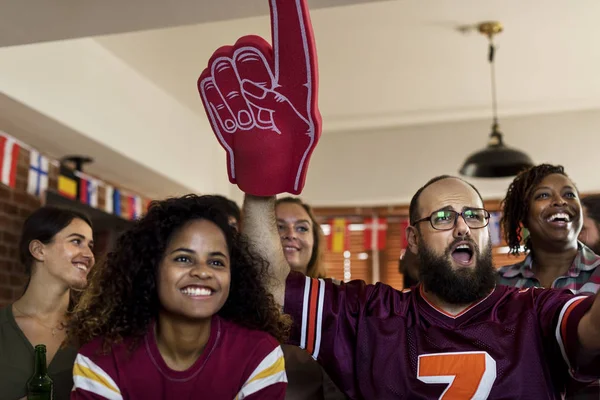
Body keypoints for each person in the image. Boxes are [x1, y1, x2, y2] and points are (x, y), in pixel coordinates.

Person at [241, 176, 600, 399]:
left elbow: (593, 329)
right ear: (413, 238)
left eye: (473, 216)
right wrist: (261, 180)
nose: (462, 228)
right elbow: (269, 285)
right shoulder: (367, 314)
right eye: (442, 217)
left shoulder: (535, 310)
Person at [67, 194, 289, 399]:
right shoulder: (101, 360)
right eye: (183, 259)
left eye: (216, 262)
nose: (203, 272)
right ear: (151, 268)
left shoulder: (259, 355)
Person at [0, 206, 95, 400]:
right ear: (38, 250)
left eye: (90, 246)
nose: (89, 256)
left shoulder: (93, 333)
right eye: (76, 241)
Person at [275, 196, 346, 399]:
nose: (290, 235)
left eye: (302, 228)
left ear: (315, 241)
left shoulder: (336, 297)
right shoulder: (237, 301)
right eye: (279, 227)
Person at [498, 164, 600, 295]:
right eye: (543, 195)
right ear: (523, 215)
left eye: (569, 194)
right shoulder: (499, 283)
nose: (560, 201)